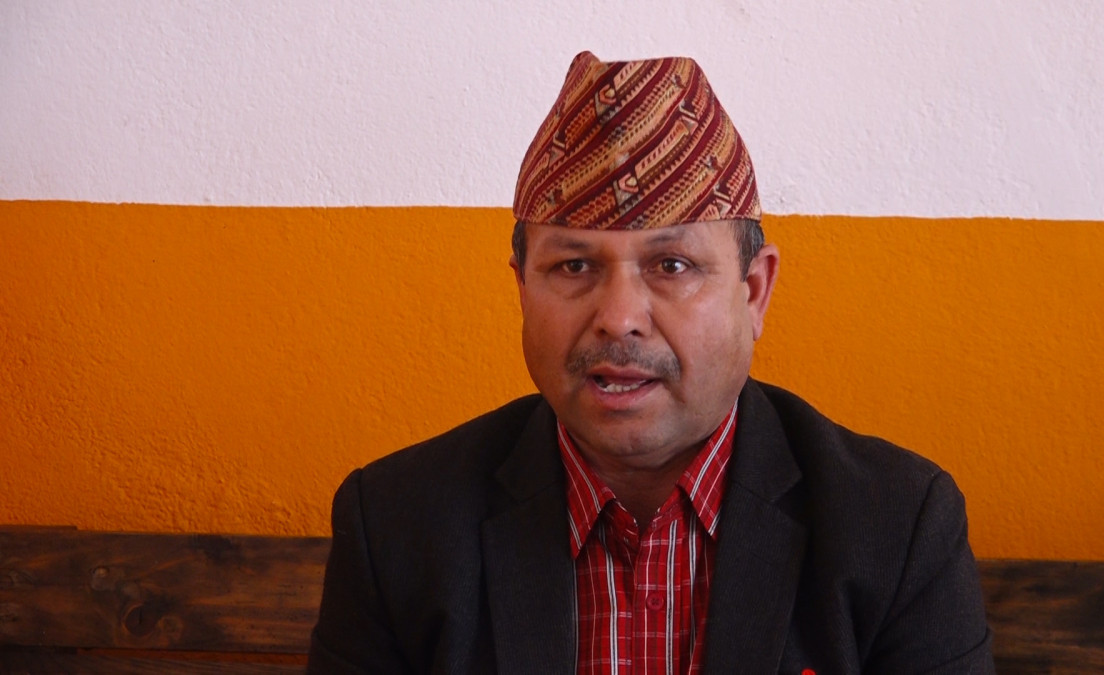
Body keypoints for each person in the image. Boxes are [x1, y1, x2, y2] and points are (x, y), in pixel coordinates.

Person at [308, 51, 994, 674]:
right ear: (521, 288)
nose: (619, 316)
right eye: (574, 266)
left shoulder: (896, 526)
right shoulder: (397, 526)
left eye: (672, 266)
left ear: (754, 291)